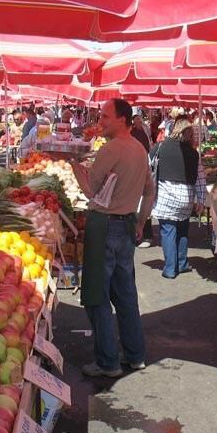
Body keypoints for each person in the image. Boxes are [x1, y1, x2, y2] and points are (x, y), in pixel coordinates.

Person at [69, 98, 156, 378]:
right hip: (128, 225)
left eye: (105, 117)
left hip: (103, 225)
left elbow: (89, 192)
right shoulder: (141, 149)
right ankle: (135, 354)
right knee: (126, 294)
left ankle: (108, 361)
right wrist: (141, 221)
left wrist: (73, 165)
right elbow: (149, 191)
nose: (101, 122)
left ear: (122, 119)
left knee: (97, 296)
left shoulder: (110, 149)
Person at [149, 120, 206, 279]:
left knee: (168, 232)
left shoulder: (160, 147)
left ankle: (170, 268)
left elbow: (148, 167)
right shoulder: (194, 154)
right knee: (182, 231)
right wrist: (201, 200)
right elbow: (200, 178)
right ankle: (182, 264)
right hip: (186, 198)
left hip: (166, 197)